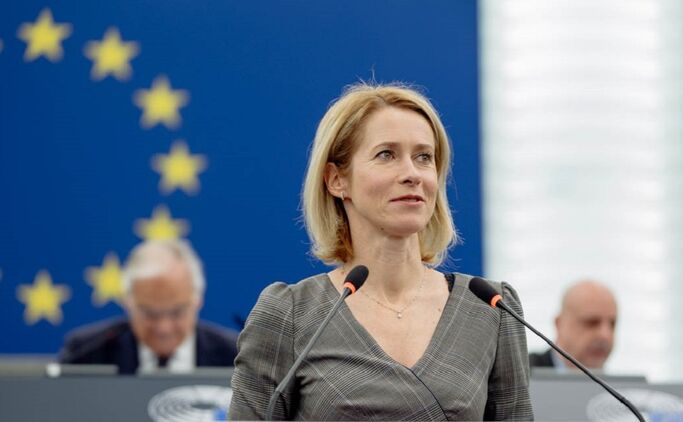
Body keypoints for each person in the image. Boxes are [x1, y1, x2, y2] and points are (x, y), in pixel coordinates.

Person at [228, 83, 533, 420]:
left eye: (424, 157)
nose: (412, 174)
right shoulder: (290, 314)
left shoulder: (490, 308)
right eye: (386, 155)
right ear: (336, 179)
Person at [58, 239, 237, 374]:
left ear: (197, 302)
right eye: (150, 314)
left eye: (177, 312)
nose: (164, 327)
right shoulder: (85, 354)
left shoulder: (236, 357)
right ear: (127, 303)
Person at [529, 280, 617, 371]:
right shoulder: (524, 373)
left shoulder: (619, 379)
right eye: (591, 323)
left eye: (612, 324)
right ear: (559, 324)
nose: (605, 335)